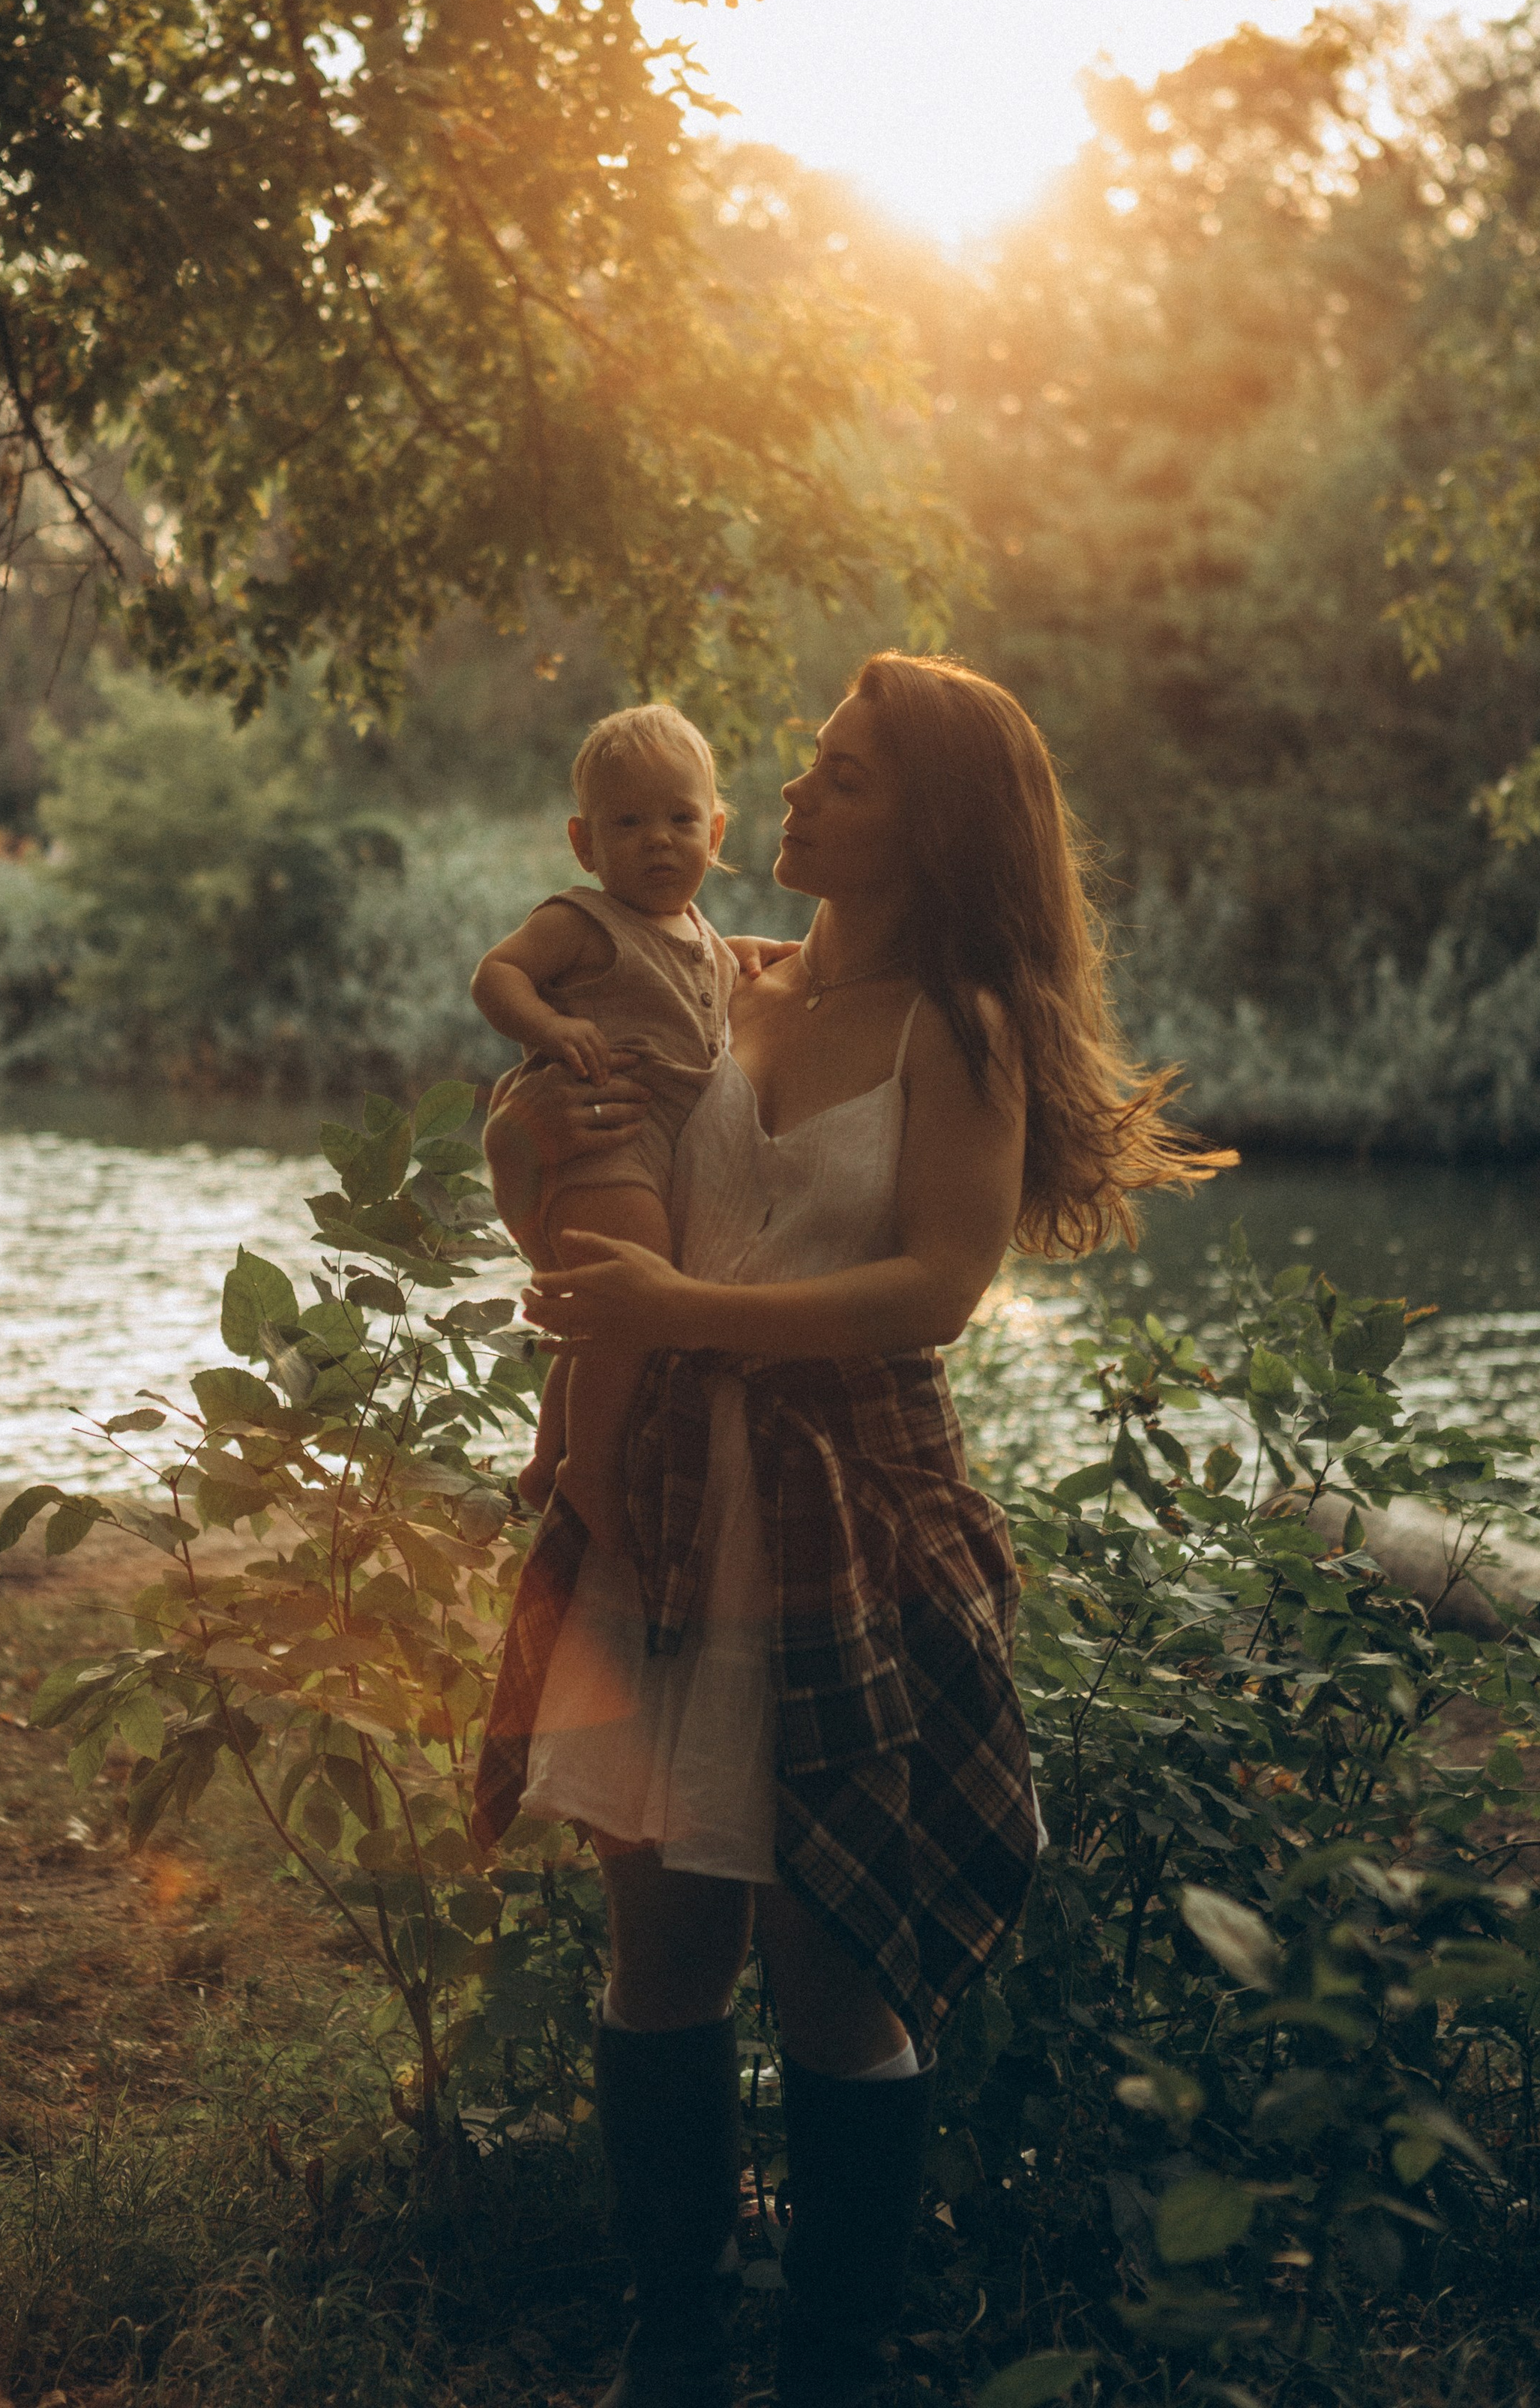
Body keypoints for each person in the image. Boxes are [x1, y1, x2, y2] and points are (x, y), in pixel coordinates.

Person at [474, 652, 1233, 2408]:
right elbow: (553, 1148)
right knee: (657, 1944)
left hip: (846, 1519)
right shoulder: (714, 985)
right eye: (804, 768)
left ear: (931, 825)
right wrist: (548, 1175)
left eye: (840, 776)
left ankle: (836, 2359)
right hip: (654, 1498)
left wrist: (676, 1302)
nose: (791, 799)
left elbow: (933, 1288)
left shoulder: (955, 1025)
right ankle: (674, 2339)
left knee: (838, 1968)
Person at [471, 703, 781, 1551]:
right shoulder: (579, 922)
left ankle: (543, 1464)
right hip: (605, 1151)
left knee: (600, 1324)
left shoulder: (700, 932)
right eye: (628, 822)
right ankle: (591, 1471)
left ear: (715, 831)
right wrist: (548, 1028)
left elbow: (707, 972)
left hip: (655, 1157)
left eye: (681, 819)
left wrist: (755, 951)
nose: (658, 840)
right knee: (626, 1310)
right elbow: (495, 973)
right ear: (584, 844)